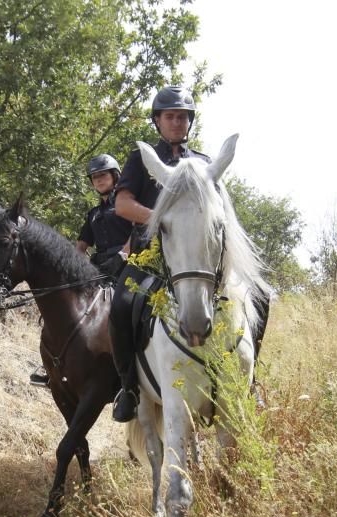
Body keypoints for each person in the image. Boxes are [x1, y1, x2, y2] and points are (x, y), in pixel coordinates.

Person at [107, 85, 270, 421]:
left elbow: (221, 213)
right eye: (170, 116)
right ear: (158, 121)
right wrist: (165, 221)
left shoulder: (205, 164)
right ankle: (129, 388)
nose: (177, 122)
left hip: (199, 257)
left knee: (261, 297)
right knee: (121, 304)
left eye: (182, 117)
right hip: (151, 256)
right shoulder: (141, 160)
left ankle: (249, 380)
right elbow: (122, 205)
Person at [29, 154, 133, 386]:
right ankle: (52, 367)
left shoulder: (126, 205)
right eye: (94, 177)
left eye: (102, 175)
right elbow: (81, 246)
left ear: (115, 176)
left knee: (124, 310)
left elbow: (139, 233)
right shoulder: (93, 214)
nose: (98, 180)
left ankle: (130, 369)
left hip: (128, 265)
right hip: (98, 267)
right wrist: (70, 269)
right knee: (66, 307)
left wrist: (122, 255)